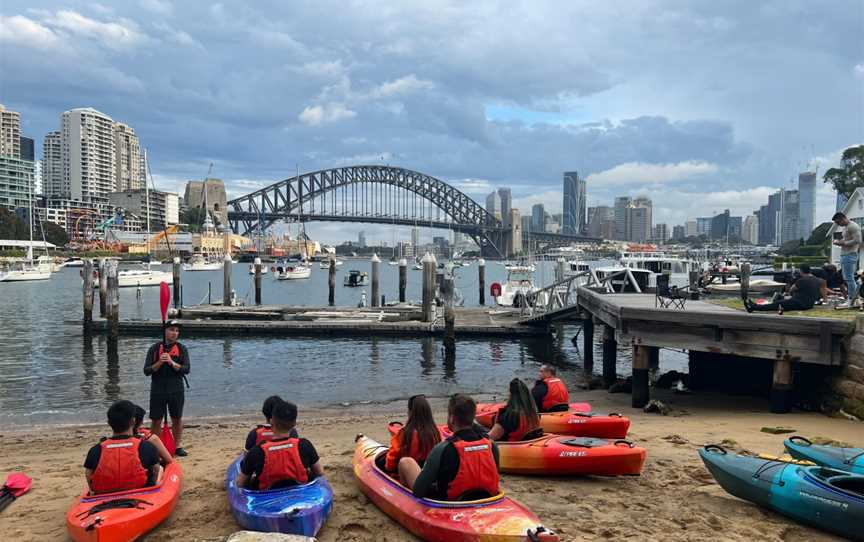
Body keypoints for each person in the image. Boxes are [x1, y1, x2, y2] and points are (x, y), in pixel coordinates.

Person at [398, 394, 500, 501]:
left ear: (452, 418)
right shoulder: (491, 445)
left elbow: (419, 491)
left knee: (406, 462)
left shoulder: (442, 449)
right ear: (472, 416)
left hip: (453, 502)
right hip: (487, 497)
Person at [237, 400, 323, 490]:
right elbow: (319, 473)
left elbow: (241, 483)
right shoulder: (304, 445)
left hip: (266, 496)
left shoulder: (256, 451)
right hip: (299, 491)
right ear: (294, 424)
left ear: (271, 422)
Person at [84, 400, 162, 494]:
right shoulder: (146, 447)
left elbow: (88, 474)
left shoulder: (96, 450)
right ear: (133, 421)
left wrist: (92, 490)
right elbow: (155, 469)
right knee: (160, 467)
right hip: (139, 488)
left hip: (104, 492)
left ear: (109, 423)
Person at [143, 319, 190, 456]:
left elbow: (186, 369)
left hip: (176, 389)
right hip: (158, 389)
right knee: (156, 419)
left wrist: (171, 362)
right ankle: (154, 447)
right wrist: (159, 362)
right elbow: (146, 371)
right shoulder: (155, 349)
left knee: (177, 418)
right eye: (171, 330)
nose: (174, 333)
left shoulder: (182, 349)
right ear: (165, 331)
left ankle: (176, 446)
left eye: (177, 331)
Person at [384, 395, 441, 484]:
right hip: (429, 475)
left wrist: (388, 468)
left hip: (408, 476)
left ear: (410, 412)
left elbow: (390, 464)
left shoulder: (405, 433)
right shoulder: (435, 432)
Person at [745, 264, 828, 313]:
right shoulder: (817, 280)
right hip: (808, 303)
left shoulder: (802, 280)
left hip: (800, 303)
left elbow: (792, 289)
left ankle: (754, 307)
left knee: (776, 305)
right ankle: (756, 305)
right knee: (780, 299)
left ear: (801, 271)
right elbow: (823, 289)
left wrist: (790, 293)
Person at [832, 212, 862, 309]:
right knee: (847, 277)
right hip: (846, 254)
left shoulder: (853, 226)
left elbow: (858, 240)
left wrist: (842, 243)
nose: (838, 225)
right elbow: (848, 239)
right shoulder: (846, 227)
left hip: (850, 254)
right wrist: (839, 241)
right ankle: (854, 299)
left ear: (842, 218)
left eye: (838, 222)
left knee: (849, 278)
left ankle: (852, 299)